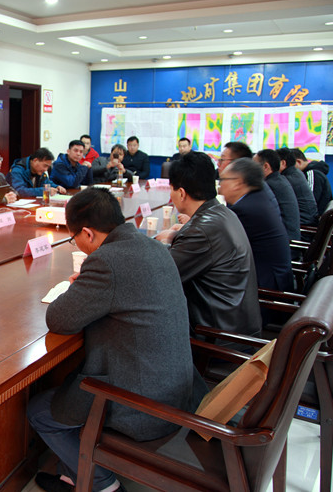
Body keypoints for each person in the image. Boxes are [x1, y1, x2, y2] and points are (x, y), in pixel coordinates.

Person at [28, 187, 203, 492]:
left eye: (75, 239)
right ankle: (73, 472)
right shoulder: (152, 246)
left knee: (39, 411)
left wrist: (80, 287)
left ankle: (103, 484)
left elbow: (59, 319)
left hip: (142, 405)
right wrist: (90, 287)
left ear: (87, 233)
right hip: (177, 388)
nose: (79, 246)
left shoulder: (106, 261)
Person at [155, 152, 261, 336]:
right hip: (235, 325)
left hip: (216, 339)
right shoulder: (222, 212)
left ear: (181, 193)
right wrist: (176, 236)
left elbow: (158, 276)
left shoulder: (200, 232)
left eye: (171, 189)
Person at [219, 158, 293, 292]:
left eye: (223, 180)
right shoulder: (257, 198)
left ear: (238, 183)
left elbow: (218, 244)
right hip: (274, 277)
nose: (220, 186)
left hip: (266, 288)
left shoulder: (246, 210)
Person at [254, 150, 301, 243]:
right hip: (288, 236)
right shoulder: (279, 179)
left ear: (265, 166)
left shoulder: (269, 186)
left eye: (253, 166)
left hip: (286, 242)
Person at [277, 148, 318, 227]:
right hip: (307, 219)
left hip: (303, 224)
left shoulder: (288, 179)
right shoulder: (296, 172)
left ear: (283, 163)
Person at [292, 148, 332, 215]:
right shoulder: (311, 172)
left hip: (315, 216)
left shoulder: (313, 174)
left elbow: (309, 202)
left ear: (298, 162)